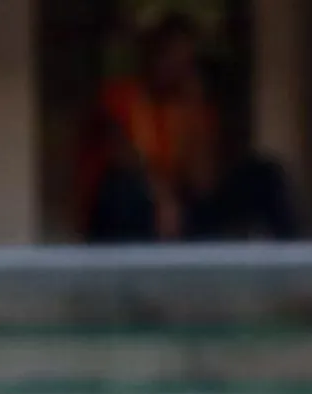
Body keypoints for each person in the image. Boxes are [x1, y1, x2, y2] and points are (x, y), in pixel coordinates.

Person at [78, 13, 296, 242]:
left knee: (265, 175)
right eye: (170, 57)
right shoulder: (120, 97)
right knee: (124, 190)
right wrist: (162, 197)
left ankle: (293, 261)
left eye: (186, 62)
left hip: (178, 210)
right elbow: (122, 157)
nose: (176, 69)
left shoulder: (192, 107)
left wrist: (194, 110)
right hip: (134, 206)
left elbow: (203, 183)